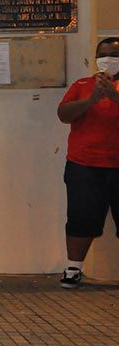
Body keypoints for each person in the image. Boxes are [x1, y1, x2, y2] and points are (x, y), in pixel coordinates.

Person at [57, 37, 119, 288]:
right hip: (84, 165)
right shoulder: (82, 85)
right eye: (102, 54)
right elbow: (63, 114)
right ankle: (73, 268)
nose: (108, 59)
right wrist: (91, 99)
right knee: (81, 218)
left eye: (114, 54)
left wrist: (114, 96)